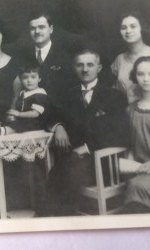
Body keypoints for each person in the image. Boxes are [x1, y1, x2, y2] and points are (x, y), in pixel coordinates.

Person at [47, 49, 129, 215]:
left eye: (90, 65)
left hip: (103, 162)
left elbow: (121, 134)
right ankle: (56, 220)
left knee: (66, 173)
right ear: (74, 68)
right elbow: (51, 115)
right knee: (59, 172)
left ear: (98, 68)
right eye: (80, 65)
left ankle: (61, 219)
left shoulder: (114, 96)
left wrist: (88, 147)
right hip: (73, 160)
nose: (85, 69)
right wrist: (58, 126)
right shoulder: (68, 95)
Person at [23, 10, 74, 110]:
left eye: (41, 27)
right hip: (28, 116)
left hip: (58, 116)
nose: (37, 31)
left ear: (51, 29)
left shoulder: (66, 57)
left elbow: (71, 94)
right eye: (33, 28)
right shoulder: (23, 57)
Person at [0, 62, 49, 136]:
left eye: (33, 77)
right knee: (7, 120)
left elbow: (35, 113)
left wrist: (18, 114)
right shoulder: (23, 92)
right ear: (21, 79)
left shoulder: (40, 94)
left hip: (34, 123)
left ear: (39, 79)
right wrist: (13, 115)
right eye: (25, 77)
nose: (29, 80)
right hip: (23, 119)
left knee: (16, 126)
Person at [123, 56, 150, 214]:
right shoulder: (130, 110)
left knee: (137, 187)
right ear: (135, 76)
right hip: (141, 170)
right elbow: (130, 145)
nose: (146, 79)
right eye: (141, 74)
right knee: (134, 185)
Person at [111, 11, 150, 104]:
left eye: (133, 26)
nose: (128, 31)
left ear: (142, 28)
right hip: (127, 112)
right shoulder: (119, 59)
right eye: (123, 28)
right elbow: (116, 90)